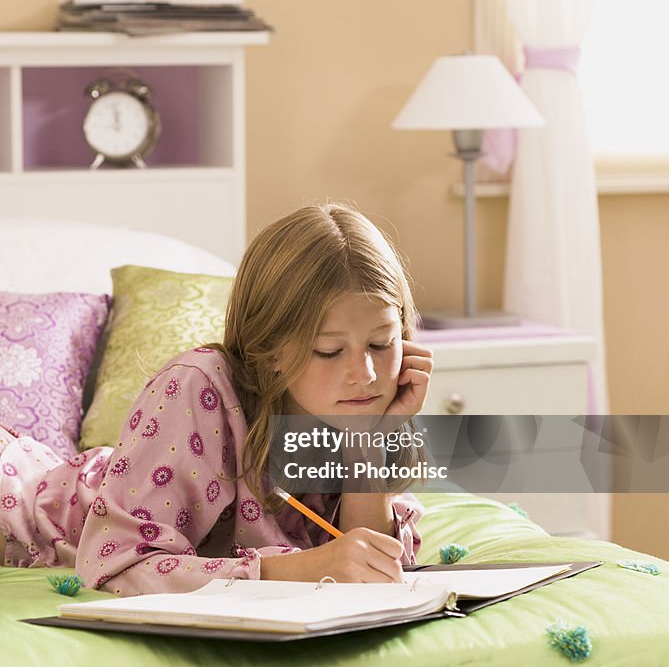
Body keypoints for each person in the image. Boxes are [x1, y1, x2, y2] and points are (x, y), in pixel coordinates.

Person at [0, 202, 434, 596]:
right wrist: (300, 569)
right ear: (270, 347)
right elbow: (117, 563)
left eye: (382, 343)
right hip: (21, 508)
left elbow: (372, 568)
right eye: (328, 350)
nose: (366, 374)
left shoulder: (359, 418)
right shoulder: (198, 386)